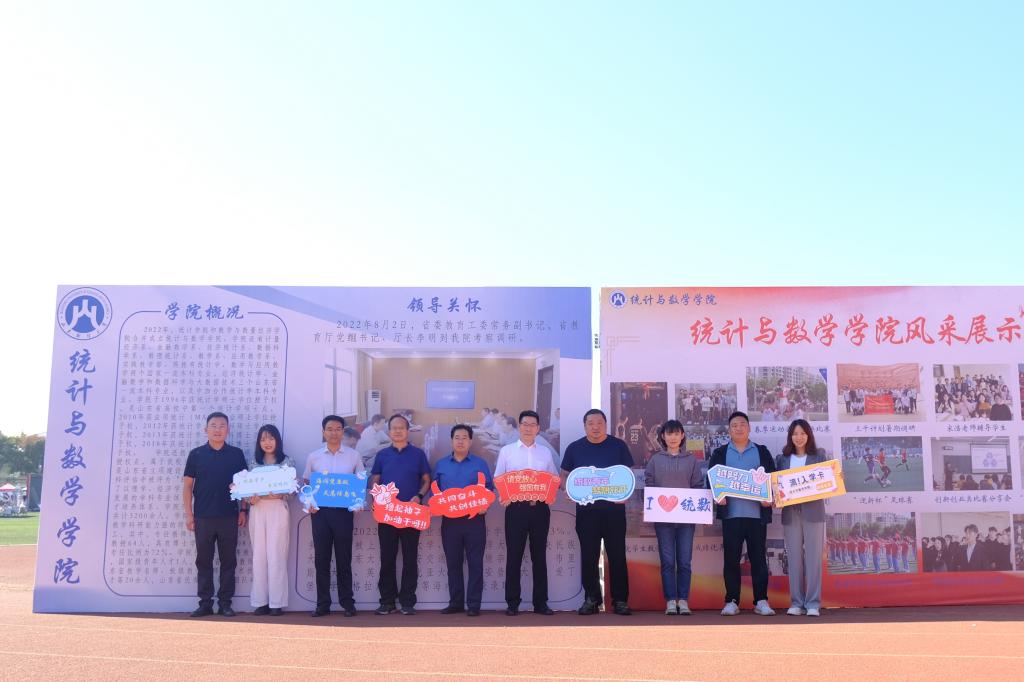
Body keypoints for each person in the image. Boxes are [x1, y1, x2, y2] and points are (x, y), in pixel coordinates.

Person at [561, 408, 635, 616]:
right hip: (587, 513)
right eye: (591, 423)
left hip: (614, 512)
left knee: (617, 556)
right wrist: (568, 489)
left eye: (599, 423)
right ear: (585, 426)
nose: (595, 427)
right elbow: (564, 475)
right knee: (589, 556)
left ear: (606, 424)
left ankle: (620, 600)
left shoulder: (618, 446)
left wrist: (626, 493)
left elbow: (628, 475)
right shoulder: (574, 448)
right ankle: (591, 599)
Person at [707, 411, 776, 616]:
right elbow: (711, 481)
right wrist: (717, 495)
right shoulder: (720, 453)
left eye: (742, 424)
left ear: (749, 428)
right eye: (734, 425)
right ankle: (731, 600)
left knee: (758, 559)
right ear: (729, 430)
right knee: (731, 559)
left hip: (756, 516)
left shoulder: (761, 451)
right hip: (731, 516)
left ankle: (761, 600)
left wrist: (769, 497)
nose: (739, 428)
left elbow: (772, 479)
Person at [494, 410, 560, 616]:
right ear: (519, 426)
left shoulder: (545, 453)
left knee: (539, 556)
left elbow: (553, 479)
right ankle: (512, 603)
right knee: (514, 556)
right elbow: (499, 478)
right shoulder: (507, 451)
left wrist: (550, 493)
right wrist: (505, 495)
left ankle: (541, 603)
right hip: (516, 509)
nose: (528, 428)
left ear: (538, 428)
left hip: (540, 509)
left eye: (533, 425)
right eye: (525, 424)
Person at [182, 412, 248, 617]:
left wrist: (243, 509)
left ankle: (225, 603)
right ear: (206, 429)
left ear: (228, 430)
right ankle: (205, 603)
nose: (218, 429)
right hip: (203, 516)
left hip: (229, 516)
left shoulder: (236, 454)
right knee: (203, 561)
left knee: (229, 561)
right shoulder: (196, 454)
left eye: (222, 426)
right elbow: (187, 486)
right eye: (213, 425)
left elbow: (244, 484)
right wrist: (189, 515)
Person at [304, 415, 365, 617]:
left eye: (338, 429)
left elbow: (360, 481)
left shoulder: (353, 455)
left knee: (343, 559)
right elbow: (307, 483)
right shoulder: (314, 456)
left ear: (343, 431)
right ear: (323, 432)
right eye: (329, 429)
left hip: (343, 513)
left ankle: (348, 603)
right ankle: (323, 604)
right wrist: (309, 502)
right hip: (320, 513)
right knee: (321, 559)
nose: (334, 433)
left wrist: (358, 501)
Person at [370, 414, 431, 615]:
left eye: (401, 428)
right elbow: (375, 480)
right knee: (387, 558)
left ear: (407, 430)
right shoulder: (382, 455)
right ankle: (387, 601)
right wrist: (377, 499)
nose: (397, 431)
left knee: (410, 558)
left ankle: (407, 602)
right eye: (394, 428)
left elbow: (427, 480)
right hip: (387, 514)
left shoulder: (418, 454)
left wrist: (419, 496)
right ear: (389, 431)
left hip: (410, 514)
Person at [433, 424, 494, 617]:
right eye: (457, 437)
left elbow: (489, 488)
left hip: (475, 520)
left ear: (470, 441)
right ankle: (456, 602)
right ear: (451, 441)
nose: (460, 441)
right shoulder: (441, 465)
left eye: (464, 437)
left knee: (476, 563)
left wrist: (485, 504)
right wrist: (438, 505)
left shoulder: (480, 464)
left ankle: (474, 604)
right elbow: (435, 491)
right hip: (450, 521)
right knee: (453, 563)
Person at [644, 419, 703, 615]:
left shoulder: (691, 460)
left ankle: (683, 600)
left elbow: (697, 486)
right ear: (663, 436)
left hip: (686, 521)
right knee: (668, 562)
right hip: (663, 521)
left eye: (677, 433)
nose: (673, 437)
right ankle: (670, 600)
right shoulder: (655, 460)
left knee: (685, 561)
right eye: (669, 434)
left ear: (682, 435)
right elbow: (649, 485)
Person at [776, 419, 826, 617]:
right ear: (790, 436)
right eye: (795, 434)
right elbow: (776, 486)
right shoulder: (782, 459)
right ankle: (796, 602)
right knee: (794, 559)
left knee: (813, 559)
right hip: (790, 513)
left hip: (813, 512)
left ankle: (813, 603)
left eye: (802, 433)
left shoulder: (819, 456)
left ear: (808, 435)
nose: (799, 437)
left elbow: (827, 481)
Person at [247, 424, 294, 616]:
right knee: (259, 556)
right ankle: (260, 602)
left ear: (277, 440)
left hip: (278, 510)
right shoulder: (253, 463)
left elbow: (292, 490)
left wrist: (281, 494)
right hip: (258, 510)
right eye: (263, 439)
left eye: (271, 438)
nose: (267, 442)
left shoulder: (287, 462)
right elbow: (246, 490)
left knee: (277, 555)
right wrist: (250, 499)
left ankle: (276, 602)